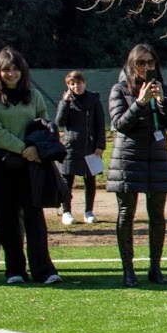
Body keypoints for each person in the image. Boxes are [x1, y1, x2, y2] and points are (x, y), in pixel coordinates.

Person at [0, 47, 62, 286]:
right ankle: (15, 269)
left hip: (31, 166)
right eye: (6, 69)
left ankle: (43, 270)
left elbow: (44, 123)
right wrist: (23, 148)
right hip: (1, 165)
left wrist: (36, 148)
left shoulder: (33, 95)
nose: (11, 73)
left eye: (15, 69)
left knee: (34, 217)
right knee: (6, 218)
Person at [107, 43, 167, 286]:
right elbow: (119, 123)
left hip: (157, 157)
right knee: (126, 214)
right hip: (128, 158)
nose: (146, 68)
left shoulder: (166, 90)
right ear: (131, 65)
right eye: (141, 63)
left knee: (157, 216)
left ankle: (155, 269)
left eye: (150, 63)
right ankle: (128, 271)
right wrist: (140, 102)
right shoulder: (119, 90)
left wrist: (162, 102)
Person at [54, 70, 105, 225]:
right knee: (67, 181)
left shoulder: (94, 100)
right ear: (68, 86)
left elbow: (100, 124)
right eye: (73, 84)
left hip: (90, 147)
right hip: (70, 147)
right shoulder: (66, 101)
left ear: (85, 82)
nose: (77, 86)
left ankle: (89, 212)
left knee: (90, 180)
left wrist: (100, 145)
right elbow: (59, 122)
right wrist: (65, 102)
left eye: (79, 82)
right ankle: (66, 212)